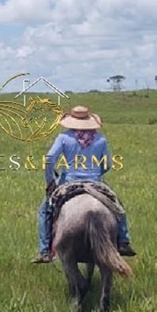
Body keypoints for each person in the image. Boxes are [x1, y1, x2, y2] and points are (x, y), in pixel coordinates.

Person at [33, 104, 135, 263]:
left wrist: (50, 181)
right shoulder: (100, 139)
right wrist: (97, 174)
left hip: (69, 182)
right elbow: (107, 164)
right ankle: (123, 241)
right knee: (117, 207)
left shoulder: (64, 138)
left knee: (44, 211)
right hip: (94, 181)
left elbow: (49, 159)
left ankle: (45, 250)